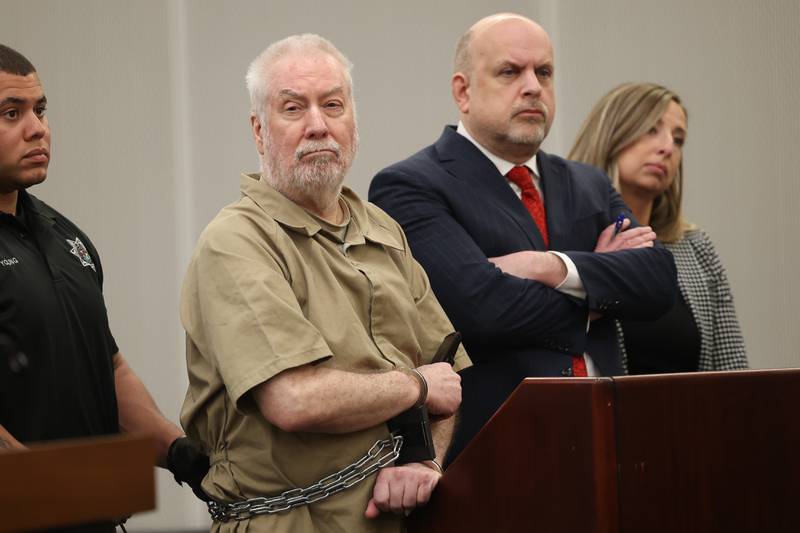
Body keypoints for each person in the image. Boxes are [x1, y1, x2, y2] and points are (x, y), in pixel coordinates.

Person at [179, 34, 469, 532]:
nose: (318, 125)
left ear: (354, 121)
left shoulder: (382, 228)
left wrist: (425, 461)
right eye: (293, 108)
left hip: (399, 518)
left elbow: (446, 376)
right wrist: (415, 385)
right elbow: (294, 400)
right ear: (259, 130)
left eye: (332, 105)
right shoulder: (236, 242)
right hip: (288, 520)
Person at [369, 13, 679, 464]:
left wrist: (549, 267)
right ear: (463, 91)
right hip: (499, 456)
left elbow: (657, 282)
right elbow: (480, 309)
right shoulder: (411, 184)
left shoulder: (588, 183)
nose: (533, 86)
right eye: (510, 72)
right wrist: (599, 289)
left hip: (613, 446)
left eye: (544, 72)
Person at [0, 44, 206, 532]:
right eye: (12, 113)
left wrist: (178, 451)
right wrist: (55, 488)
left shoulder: (66, 236)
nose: (38, 128)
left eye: (41, 110)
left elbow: (108, 368)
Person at [568, 82, 748, 373]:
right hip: (601, 416)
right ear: (611, 134)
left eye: (678, 140)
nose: (667, 148)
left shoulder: (694, 246)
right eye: (652, 130)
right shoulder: (567, 237)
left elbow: (734, 369)